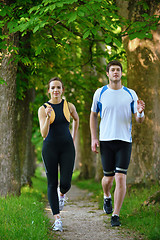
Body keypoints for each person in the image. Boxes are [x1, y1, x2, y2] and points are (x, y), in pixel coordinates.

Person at [90, 60, 145, 227]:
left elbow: (139, 120)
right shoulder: (100, 93)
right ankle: (106, 196)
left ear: (122, 73)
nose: (115, 72)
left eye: (118, 70)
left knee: (121, 177)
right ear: (107, 74)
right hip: (106, 141)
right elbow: (93, 116)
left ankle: (115, 215)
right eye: (112, 70)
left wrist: (141, 113)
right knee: (108, 179)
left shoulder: (131, 94)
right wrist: (94, 138)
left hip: (124, 141)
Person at [38, 77, 79, 232]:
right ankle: (57, 220)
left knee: (66, 183)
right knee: (51, 183)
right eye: (53, 87)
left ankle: (62, 194)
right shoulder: (43, 109)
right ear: (49, 90)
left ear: (62, 90)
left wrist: (73, 138)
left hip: (67, 148)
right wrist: (48, 117)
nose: (56, 90)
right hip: (50, 149)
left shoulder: (69, 106)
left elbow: (76, 119)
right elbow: (43, 133)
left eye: (58, 87)